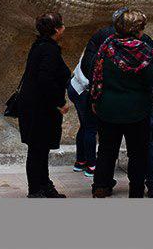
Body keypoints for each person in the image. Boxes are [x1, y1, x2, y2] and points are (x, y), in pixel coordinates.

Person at [89, 9, 153, 198]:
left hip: (107, 108)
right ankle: (136, 191)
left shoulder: (106, 46)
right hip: (136, 111)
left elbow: (95, 72)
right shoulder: (143, 50)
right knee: (137, 153)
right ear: (137, 29)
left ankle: (101, 186)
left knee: (107, 150)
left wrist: (94, 99)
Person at [18, 12, 71, 198]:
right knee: (38, 149)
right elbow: (45, 79)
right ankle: (36, 189)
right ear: (57, 30)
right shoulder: (49, 49)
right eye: (61, 25)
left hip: (35, 106)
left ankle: (44, 185)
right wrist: (59, 103)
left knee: (40, 149)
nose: (64, 27)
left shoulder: (40, 45)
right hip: (40, 108)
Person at [66, 63, 96, 178]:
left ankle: (81, 161)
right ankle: (91, 166)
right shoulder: (104, 49)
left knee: (84, 125)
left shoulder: (90, 46)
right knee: (90, 127)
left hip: (75, 87)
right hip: (84, 91)